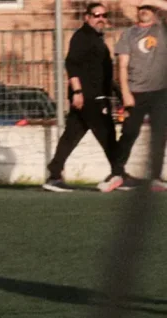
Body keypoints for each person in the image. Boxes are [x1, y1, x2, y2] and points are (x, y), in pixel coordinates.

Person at [44, 2, 120, 193]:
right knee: (107, 134)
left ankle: (54, 175)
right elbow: (72, 65)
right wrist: (77, 92)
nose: (101, 19)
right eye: (96, 15)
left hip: (94, 95)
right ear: (87, 17)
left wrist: (119, 93)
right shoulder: (82, 37)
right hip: (89, 97)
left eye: (104, 15)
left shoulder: (96, 38)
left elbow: (101, 72)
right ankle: (119, 173)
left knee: (72, 135)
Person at [116, 0, 167, 191]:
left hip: (160, 92)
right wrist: (125, 93)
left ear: (155, 11)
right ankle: (117, 172)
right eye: (141, 8)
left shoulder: (162, 29)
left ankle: (155, 177)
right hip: (136, 92)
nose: (144, 11)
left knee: (159, 135)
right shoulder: (129, 34)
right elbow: (121, 66)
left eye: (149, 9)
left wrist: (149, 1)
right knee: (129, 133)